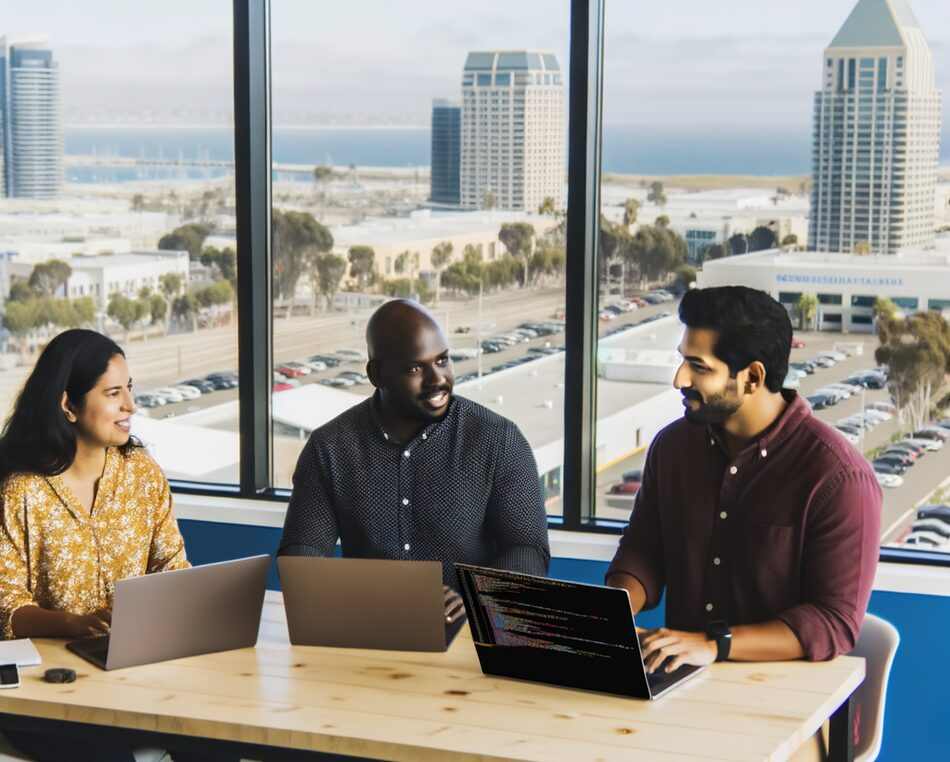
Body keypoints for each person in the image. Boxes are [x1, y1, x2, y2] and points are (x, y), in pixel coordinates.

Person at [605, 286, 880, 759]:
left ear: (752, 377)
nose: (679, 379)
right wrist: (611, 612)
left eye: (699, 367)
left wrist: (714, 645)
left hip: (793, 713)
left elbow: (832, 622)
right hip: (681, 688)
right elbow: (644, 551)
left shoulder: (837, 477)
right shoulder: (673, 448)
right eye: (682, 360)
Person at [0, 330, 219, 762]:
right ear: (68, 405)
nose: (130, 406)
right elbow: (6, 608)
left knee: (219, 737)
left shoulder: (142, 472)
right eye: (114, 393)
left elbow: (173, 567)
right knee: (107, 751)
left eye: (130, 389)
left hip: (136, 672)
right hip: (51, 688)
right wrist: (78, 624)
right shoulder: (21, 492)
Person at [278, 299, 550, 611]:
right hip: (368, 630)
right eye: (415, 368)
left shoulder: (498, 439)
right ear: (376, 374)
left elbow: (528, 550)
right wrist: (331, 591)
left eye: (443, 361)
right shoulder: (330, 448)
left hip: (472, 634)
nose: (437, 380)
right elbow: (303, 550)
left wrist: (473, 597)